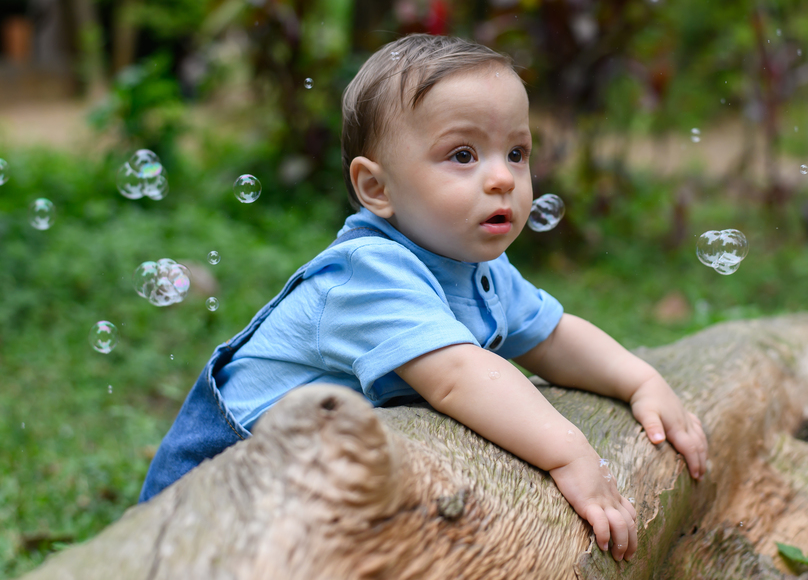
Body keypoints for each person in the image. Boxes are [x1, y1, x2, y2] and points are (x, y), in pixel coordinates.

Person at [140, 34, 707, 562]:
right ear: (377, 189)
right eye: (463, 155)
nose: (503, 178)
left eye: (516, 152)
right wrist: (569, 452)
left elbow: (552, 336)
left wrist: (640, 380)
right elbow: (459, 375)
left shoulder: (480, 267)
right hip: (217, 489)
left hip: (316, 485)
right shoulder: (369, 274)